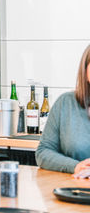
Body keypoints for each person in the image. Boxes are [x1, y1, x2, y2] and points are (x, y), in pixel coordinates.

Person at [36, 44, 90, 177]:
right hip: (74, 190)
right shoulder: (66, 103)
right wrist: (76, 166)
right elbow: (43, 152)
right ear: (85, 69)